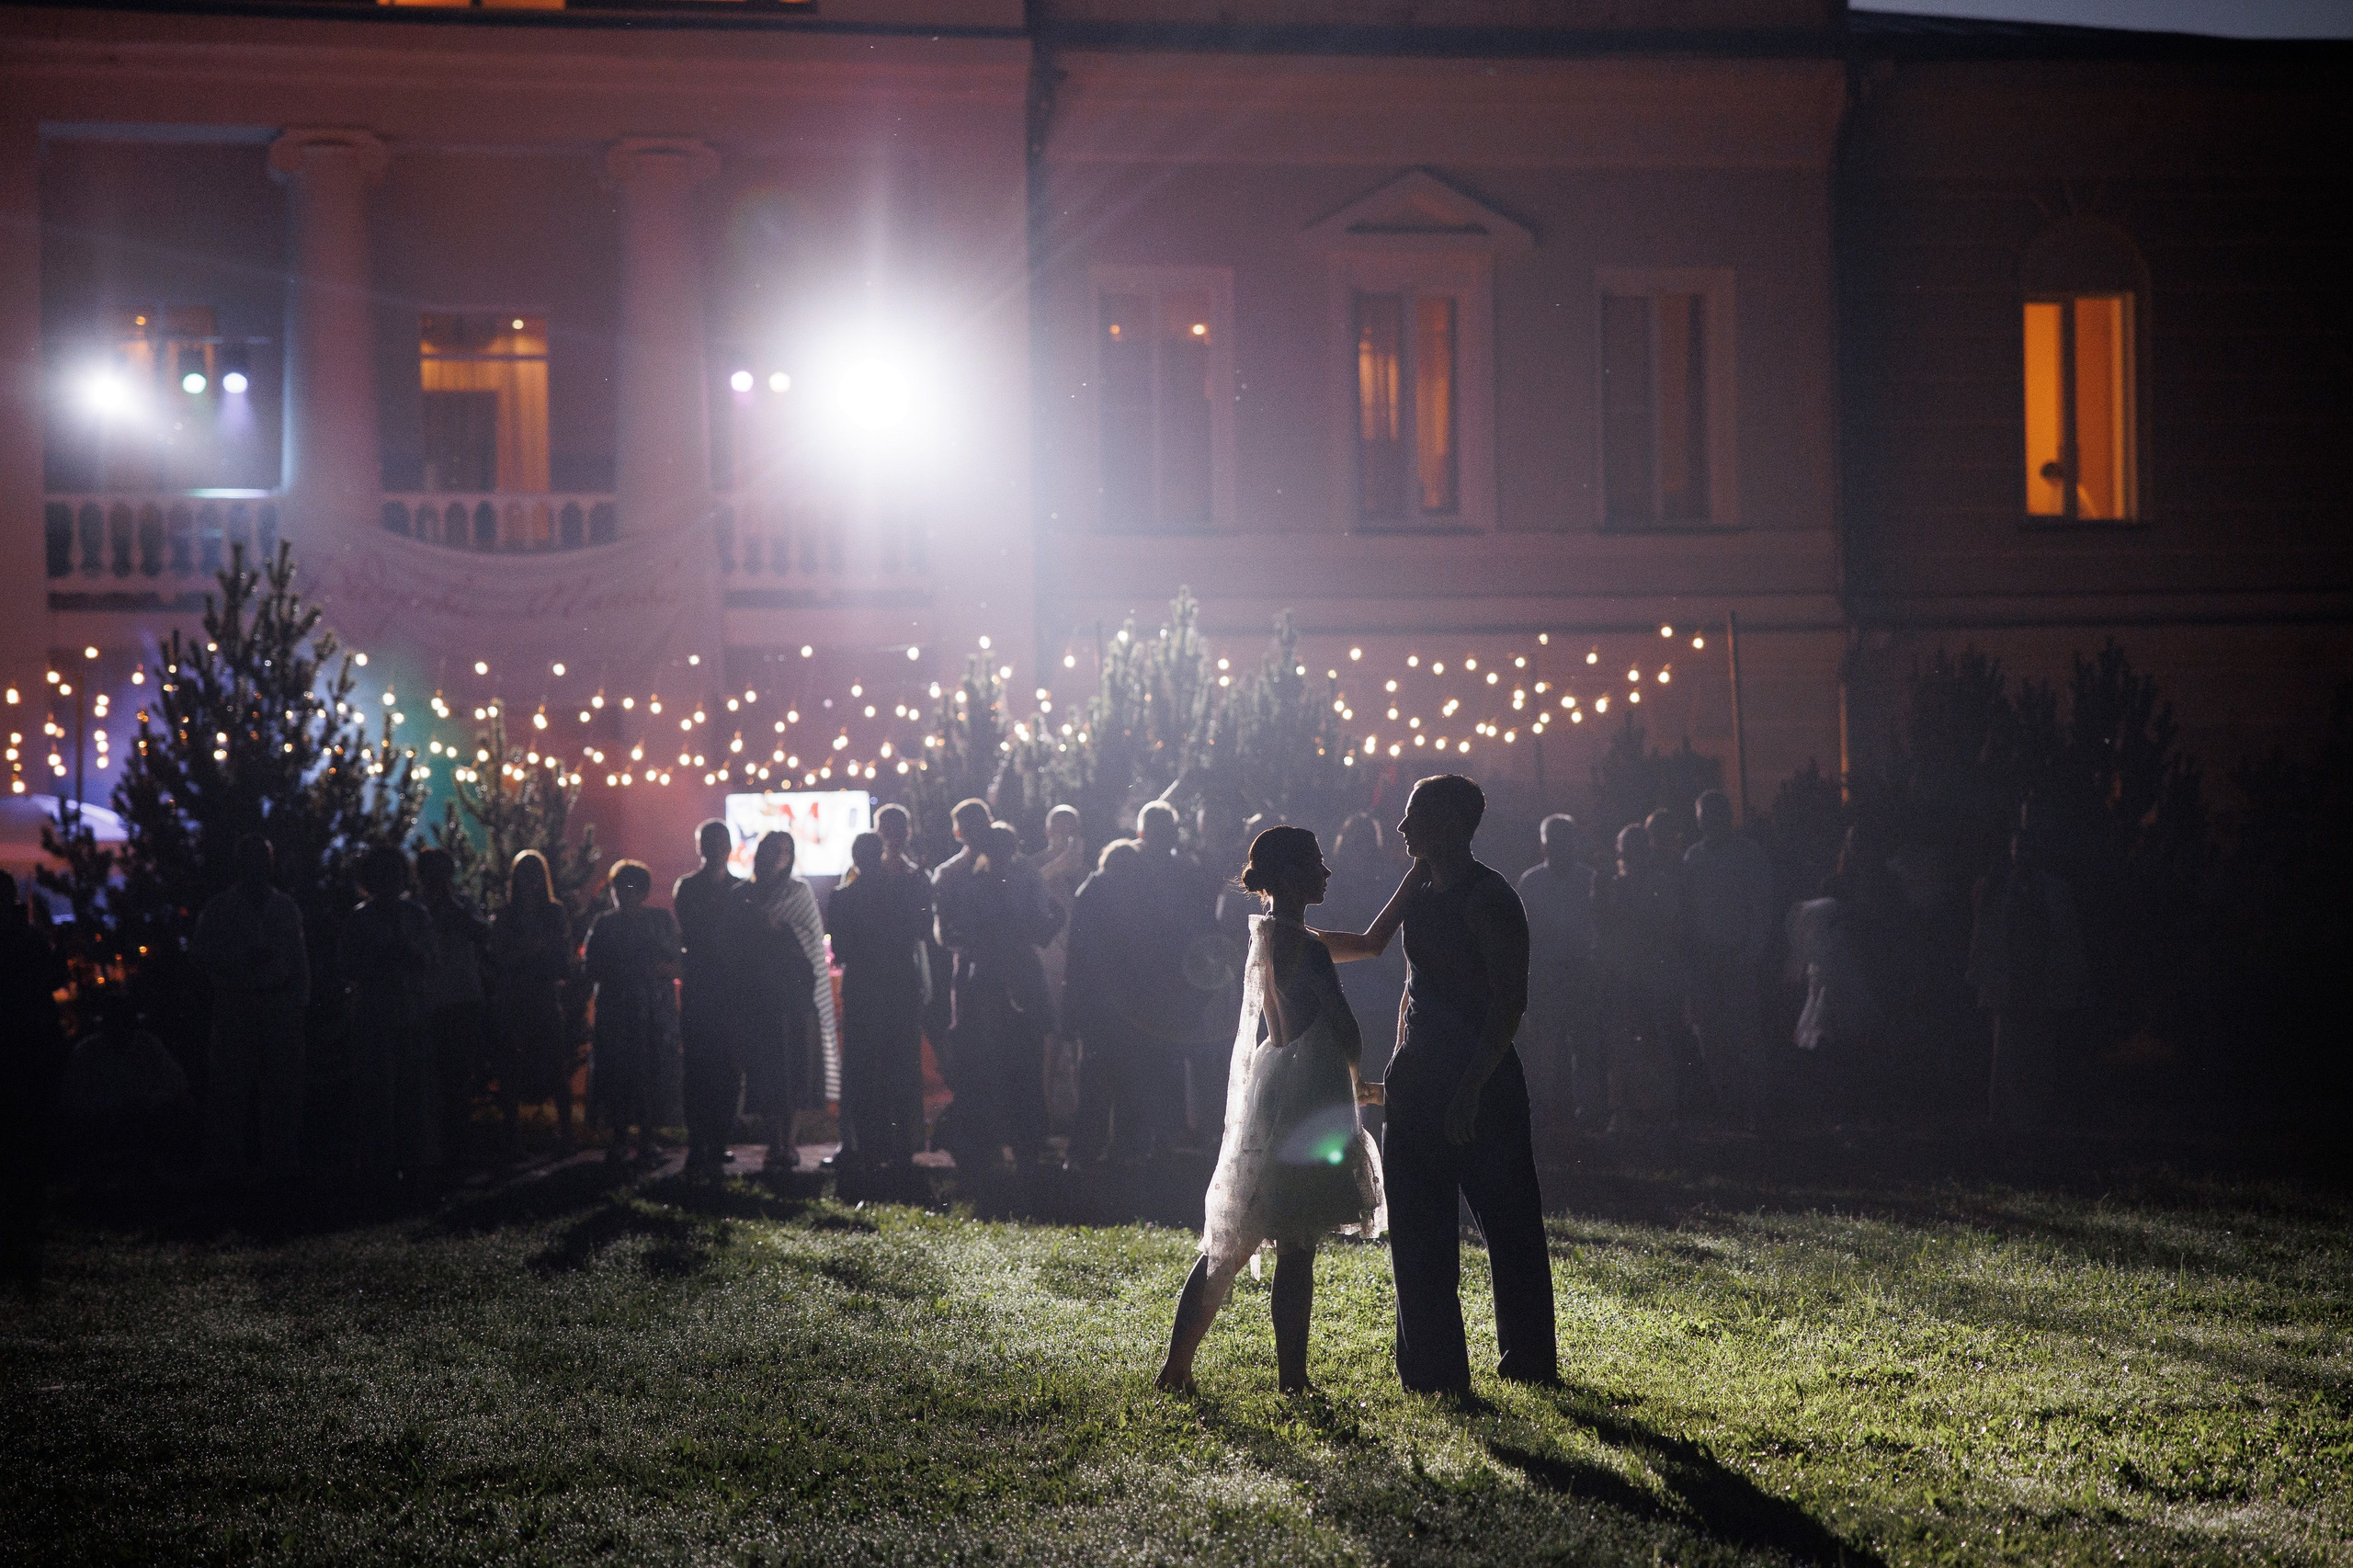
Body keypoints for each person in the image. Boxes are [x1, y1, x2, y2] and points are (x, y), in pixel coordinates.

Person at [1324, 774, 1558, 1395]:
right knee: (1419, 1229)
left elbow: (1509, 1002)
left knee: (1509, 1225)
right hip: (1420, 1076)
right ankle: (1433, 1372)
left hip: (1482, 1076)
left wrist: (1471, 1088)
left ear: (1452, 824)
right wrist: (1294, 940)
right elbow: (1385, 956)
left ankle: (1529, 1359)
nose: (1401, 827)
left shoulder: (1492, 899)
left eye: (1415, 816)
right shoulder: (1421, 883)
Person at [1157, 826, 1384, 1395]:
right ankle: (1292, 1378)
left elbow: (1370, 943)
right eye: (1316, 864)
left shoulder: (1271, 932)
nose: (1326, 873)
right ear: (1290, 876)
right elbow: (1343, 1023)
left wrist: (1409, 884)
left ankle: (1177, 1365)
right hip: (1309, 1087)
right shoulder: (1307, 946)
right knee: (1297, 1243)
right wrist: (1359, 1079)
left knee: (1237, 1235)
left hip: (1278, 1077)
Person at [934, 820, 1065, 1170]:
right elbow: (1041, 932)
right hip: (1011, 978)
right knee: (1022, 1063)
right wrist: (1051, 917)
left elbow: (962, 935)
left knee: (1000, 1064)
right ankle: (1023, 1143)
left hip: (991, 981)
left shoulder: (976, 886)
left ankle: (1002, 1142)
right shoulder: (1013, 885)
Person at [188, 833, 308, 1184]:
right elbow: (203, 956)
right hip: (238, 1005)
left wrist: (296, 1003)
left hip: (273, 1005)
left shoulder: (281, 907)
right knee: (232, 1090)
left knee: (279, 1090)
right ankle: (233, 1168)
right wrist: (241, 964)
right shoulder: (223, 909)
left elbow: (298, 960)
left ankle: (277, 1166)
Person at [1967, 809, 2087, 1132]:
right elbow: (1984, 929)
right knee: (2007, 1052)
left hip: (2039, 979)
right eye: (2017, 850)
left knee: (2037, 1052)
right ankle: (2006, 1117)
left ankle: (2035, 1116)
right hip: (2011, 981)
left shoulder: (2054, 891)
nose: (2022, 856)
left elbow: (2065, 937)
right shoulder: (1999, 889)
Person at [826, 831, 934, 1173]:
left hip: (863, 989)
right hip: (900, 987)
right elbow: (920, 932)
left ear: (855, 859)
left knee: (861, 1069)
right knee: (901, 1067)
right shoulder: (904, 891)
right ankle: (903, 1145)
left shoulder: (843, 897)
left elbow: (840, 951)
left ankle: (863, 1144)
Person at [339, 844, 438, 1183]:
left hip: (410, 1012)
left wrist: (408, 955)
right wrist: (380, 961)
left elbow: (430, 960)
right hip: (375, 1015)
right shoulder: (360, 918)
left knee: (412, 1090)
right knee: (377, 1092)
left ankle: (413, 1161)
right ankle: (378, 1164)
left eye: (394, 874)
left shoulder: (416, 916)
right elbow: (347, 965)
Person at [733, 830, 828, 1172]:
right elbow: (735, 945)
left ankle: (790, 1143)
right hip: (759, 997)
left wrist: (779, 928)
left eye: (786, 851)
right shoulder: (743, 894)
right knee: (767, 1072)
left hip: (794, 996)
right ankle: (773, 1144)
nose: (779, 857)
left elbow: (811, 938)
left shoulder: (799, 892)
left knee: (795, 1069)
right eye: (774, 850)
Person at [1681, 790, 1776, 1131]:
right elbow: (1688, 910)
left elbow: (1761, 905)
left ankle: (1756, 1108)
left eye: (1714, 814)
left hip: (1737, 957)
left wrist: (1751, 953)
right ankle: (1729, 1108)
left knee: (1745, 1036)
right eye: (1704, 814)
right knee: (1712, 1039)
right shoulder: (1693, 857)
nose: (1709, 820)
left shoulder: (1748, 854)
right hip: (1705, 961)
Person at [582, 860, 682, 1165]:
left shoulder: (659, 921)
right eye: (618, 888)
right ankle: (620, 1138)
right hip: (617, 1012)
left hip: (652, 1010)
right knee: (617, 1072)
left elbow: (676, 961)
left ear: (643, 891)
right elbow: (591, 967)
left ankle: (647, 1138)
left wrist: (654, 970)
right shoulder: (605, 924)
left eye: (630, 888)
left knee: (650, 1070)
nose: (623, 895)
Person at [1, 870, 68, 1294]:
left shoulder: (25, 939)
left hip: (20, 1051)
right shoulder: (27, 938)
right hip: (27, 1051)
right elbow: (54, 979)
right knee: (25, 1146)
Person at [1594, 823, 1684, 1133]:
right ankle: (1627, 1109)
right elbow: (1602, 931)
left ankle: (1659, 1109)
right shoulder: (1613, 886)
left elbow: (1668, 929)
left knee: (1654, 1043)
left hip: (1651, 976)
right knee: (1624, 1045)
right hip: (1624, 976)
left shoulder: (1659, 884)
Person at [1063, 838, 1150, 1163]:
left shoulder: (1091, 893)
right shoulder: (1142, 895)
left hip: (1096, 1003)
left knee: (1095, 1078)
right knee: (1130, 1077)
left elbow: (1076, 955)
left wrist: (1072, 1007)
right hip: (1132, 1002)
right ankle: (1128, 1148)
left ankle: (1086, 1149)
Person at [1518, 813, 1598, 1147]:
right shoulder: (1534, 882)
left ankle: (1582, 1112)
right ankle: (1551, 1113)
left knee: (1577, 1045)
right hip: (1548, 973)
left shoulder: (1586, 880)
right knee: (1551, 1046)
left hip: (1576, 971)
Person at [488, 848, 575, 1153]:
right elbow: (500, 956)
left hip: (541, 994)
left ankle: (566, 1135)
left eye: (535, 875)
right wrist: (534, 948)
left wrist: (525, 951)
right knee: (512, 1068)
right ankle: (514, 1137)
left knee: (554, 1065)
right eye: (525, 875)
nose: (530, 882)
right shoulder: (508, 915)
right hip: (516, 996)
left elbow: (559, 956)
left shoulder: (552, 912)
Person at [674, 819, 745, 1176]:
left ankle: (718, 1141)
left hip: (729, 989)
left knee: (728, 1068)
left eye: (721, 842)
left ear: (729, 846)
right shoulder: (688, 887)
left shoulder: (740, 888)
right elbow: (695, 931)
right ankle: (698, 1140)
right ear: (700, 847)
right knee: (698, 1067)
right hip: (702, 987)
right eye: (710, 842)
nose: (716, 849)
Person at [415, 846, 492, 1166]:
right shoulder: (414, 909)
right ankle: (437, 1151)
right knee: (432, 1081)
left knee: (459, 1079)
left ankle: (459, 1150)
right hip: (428, 1004)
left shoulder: (463, 905)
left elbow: (482, 933)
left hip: (462, 1000)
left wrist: (452, 906)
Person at [1325, 812, 1406, 1096]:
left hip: (1378, 989)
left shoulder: (1388, 880)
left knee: (1375, 1069)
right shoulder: (1333, 885)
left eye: (1364, 843)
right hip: (1351, 990)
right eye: (1355, 843)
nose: (1359, 850)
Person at [1035, 804, 1088, 1131]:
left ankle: (1079, 1115)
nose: (1066, 835)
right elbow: (1027, 893)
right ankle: (1044, 1114)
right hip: (1047, 964)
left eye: (1072, 828)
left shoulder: (1086, 871)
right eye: (1060, 828)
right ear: (1048, 831)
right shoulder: (1035, 865)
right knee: (1049, 1038)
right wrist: (1058, 866)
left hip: (1079, 964)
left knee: (1079, 1039)